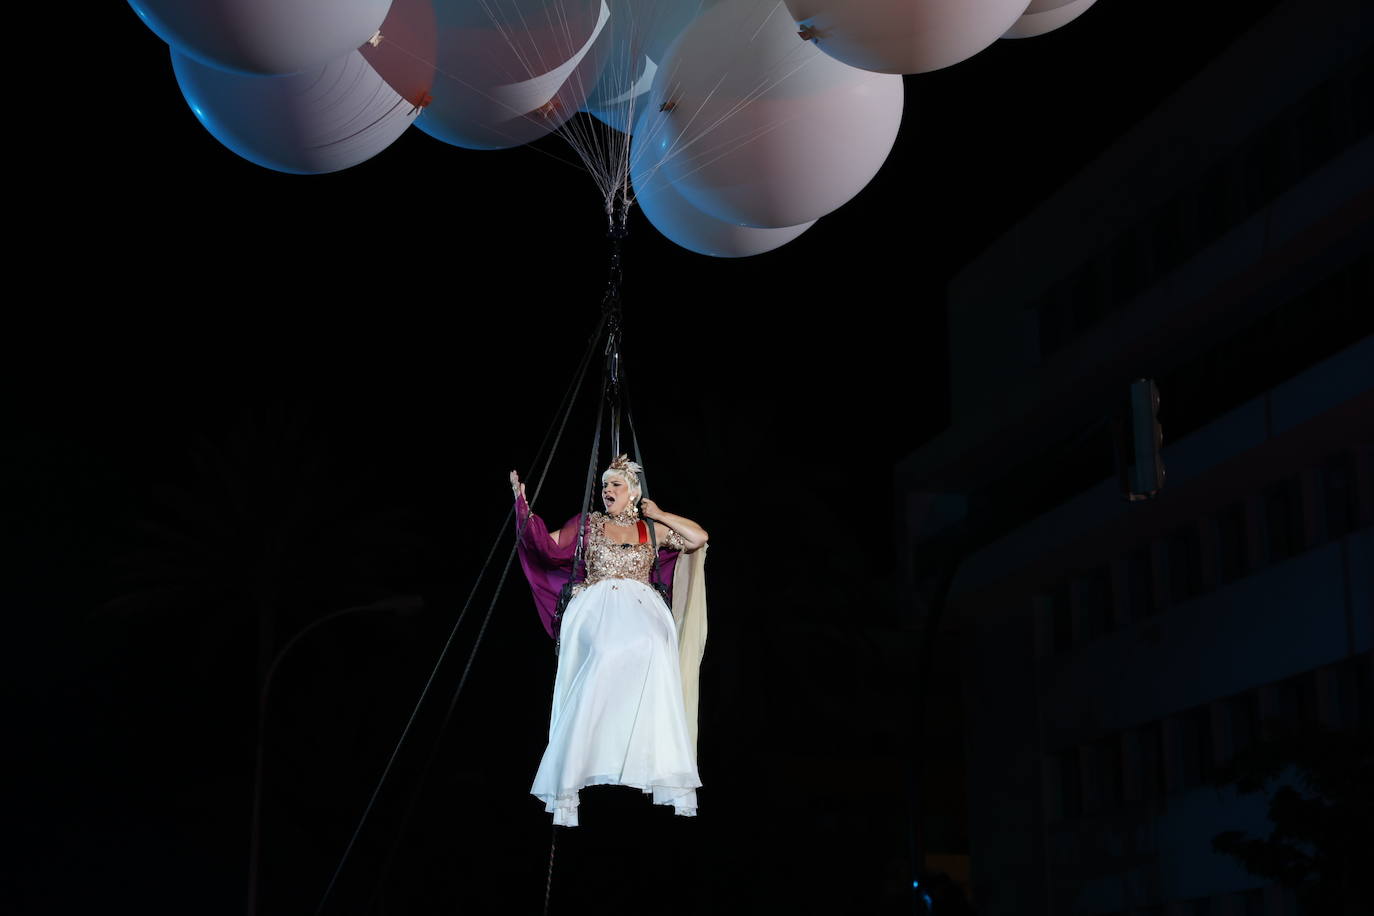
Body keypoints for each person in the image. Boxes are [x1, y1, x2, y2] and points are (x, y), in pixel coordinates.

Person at [509, 455, 709, 827]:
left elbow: (699, 538)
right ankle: (581, 751)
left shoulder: (650, 529)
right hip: (599, 604)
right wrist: (523, 507)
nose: (607, 490)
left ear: (633, 492)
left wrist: (660, 513)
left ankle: (644, 746)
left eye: (616, 484)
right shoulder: (590, 524)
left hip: (642, 607)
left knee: (654, 649)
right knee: (605, 653)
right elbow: (546, 545)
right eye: (604, 485)